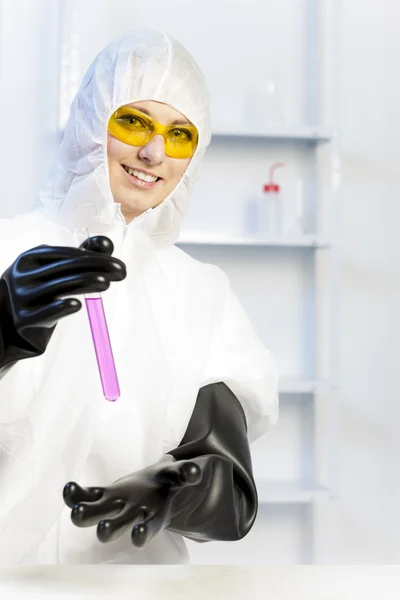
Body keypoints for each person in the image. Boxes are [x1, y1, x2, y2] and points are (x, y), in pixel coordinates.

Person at [0, 30, 279, 565]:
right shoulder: (8, 253)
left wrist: (175, 489)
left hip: (138, 583)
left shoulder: (201, 294)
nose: (153, 152)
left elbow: (231, 495)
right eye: (134, 122)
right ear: (91, 121)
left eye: (179, 136)